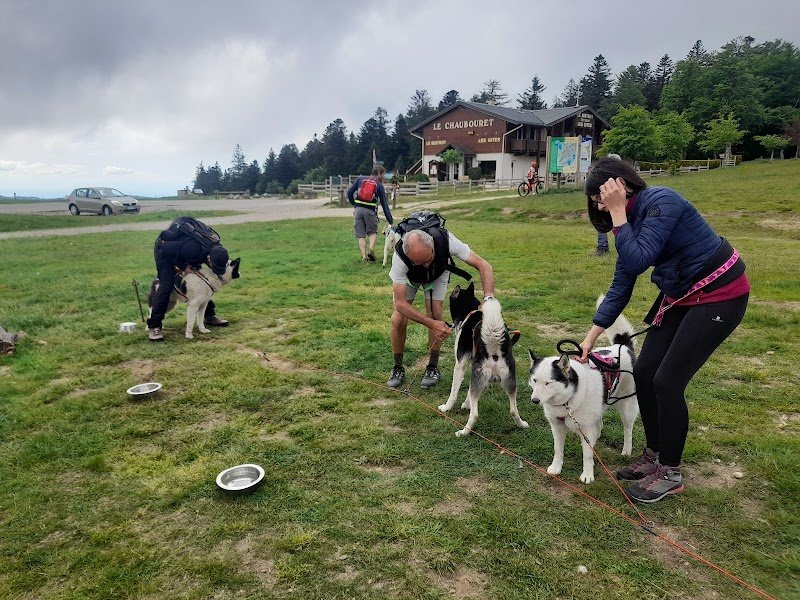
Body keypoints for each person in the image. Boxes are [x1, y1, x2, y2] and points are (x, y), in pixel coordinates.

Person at [578, 157, 750, 503]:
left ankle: (670, 472)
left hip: (720, 295)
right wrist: (591, 336)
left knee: (667, 381)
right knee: (643, 371)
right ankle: (654, 455)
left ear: (621, 186)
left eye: (603, 197)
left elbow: (640, 258)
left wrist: (618, 214)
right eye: (597, 201)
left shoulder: (662, 201)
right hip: (682, 295)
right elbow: (623, 280)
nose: (600, 205)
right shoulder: (625, 221)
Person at [386, 225, 495, 389]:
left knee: (436, 314)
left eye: (426, 260)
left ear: (433, 247)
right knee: (398, 318)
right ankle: (397, 367)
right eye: (418, 262)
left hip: (439, 272)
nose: (424, 266)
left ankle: (432, 367)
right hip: (410, 278)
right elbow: (400, 304)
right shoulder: (400, 257)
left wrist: (488, 298)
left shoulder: (447, 241)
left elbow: (484, 266)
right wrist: (430, 323)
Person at [147, 218, 231, 341]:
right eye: (214, 266)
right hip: (164, 249)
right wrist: (184, 267)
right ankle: (154, 326)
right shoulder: (192, 249)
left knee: (204, 283)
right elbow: (165, 249)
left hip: (183, 248)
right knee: (166, 285)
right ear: (208, 258)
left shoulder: (217, 247)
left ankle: (208, 315)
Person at [347, 165, 394, 262]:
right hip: (370, 211)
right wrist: (390, 220)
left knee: (360, 234)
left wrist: (355, 204)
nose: (383, 177)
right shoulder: (379, 186)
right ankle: (371, 250)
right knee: (372, 232)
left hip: (358, 210)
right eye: (383, 174)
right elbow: (384, 205)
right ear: (378, 174)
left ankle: (364, 257)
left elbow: (349, 192)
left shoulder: (360, 179)